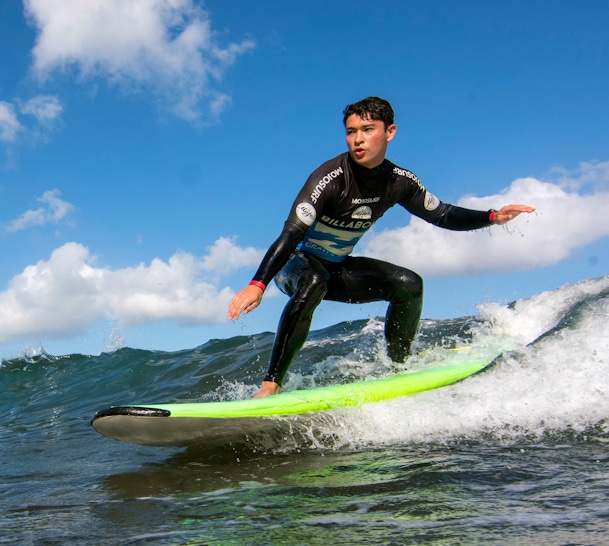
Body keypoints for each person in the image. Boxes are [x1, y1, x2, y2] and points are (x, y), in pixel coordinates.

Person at [227, 96, 535, 398]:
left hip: (335, 267)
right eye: (351, 132)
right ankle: (271, 384)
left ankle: (398, 369)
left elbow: (442, 213)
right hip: (295, 265)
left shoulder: (400, 182)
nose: (358, 140)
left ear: (390, 132)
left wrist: (493, 216)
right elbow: (292, 232)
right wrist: (258, 284)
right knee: (313, 279)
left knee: (409, 285)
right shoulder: (330, 178)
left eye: (368, 129)